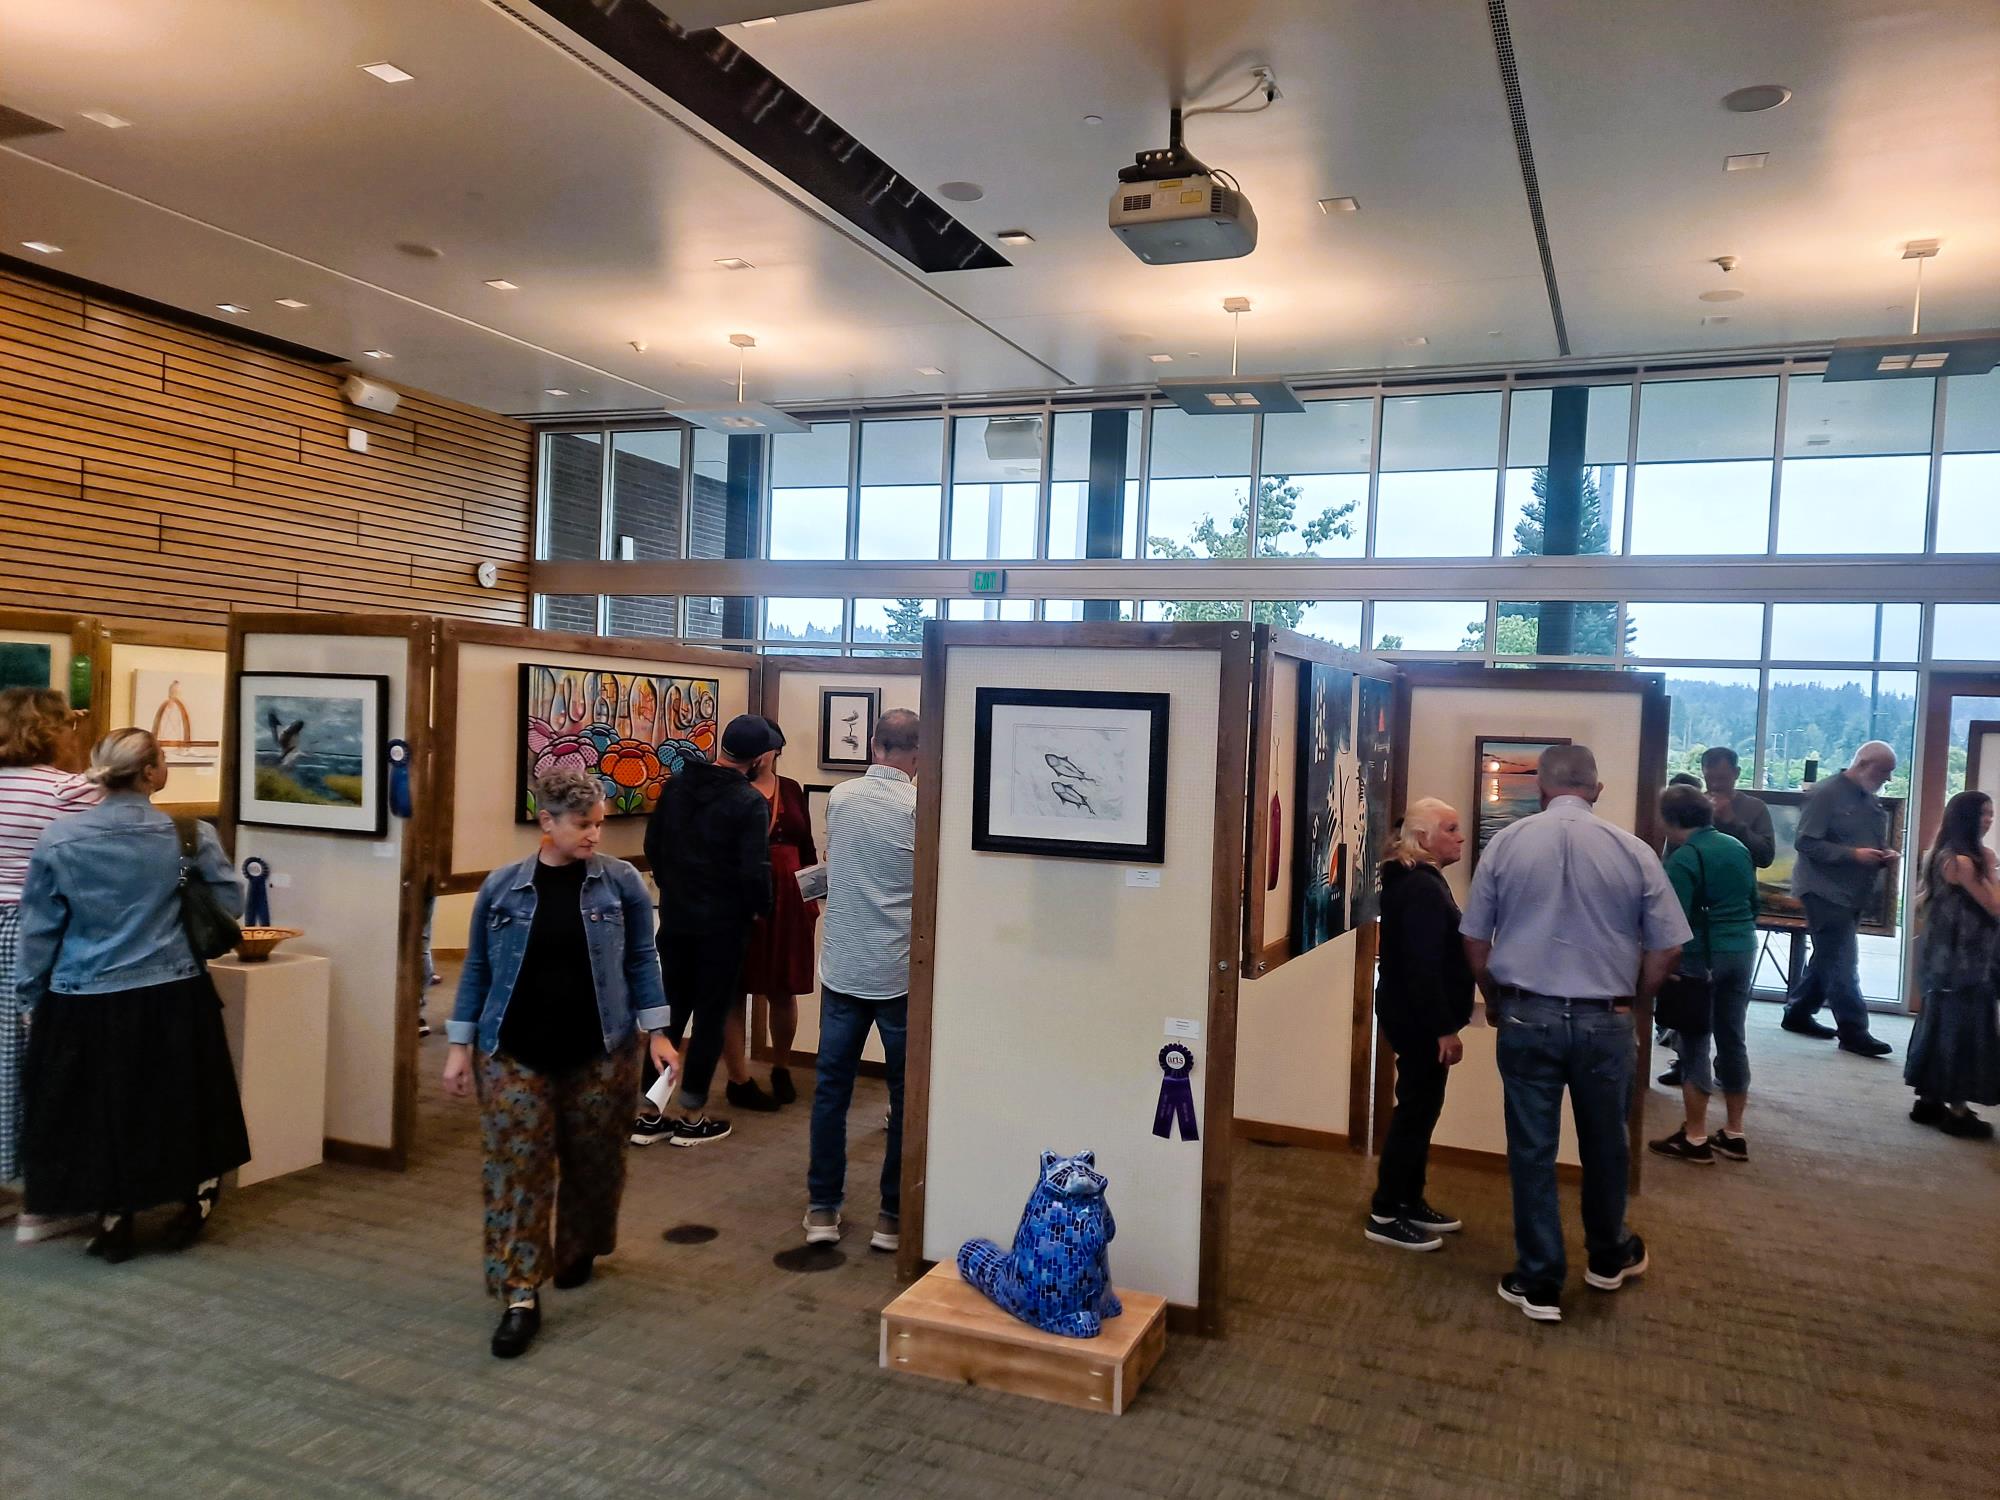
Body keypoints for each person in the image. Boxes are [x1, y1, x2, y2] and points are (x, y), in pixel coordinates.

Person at [443, 769, 676, 1358]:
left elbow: (643, 959)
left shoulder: (620, 884)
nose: (594, 834)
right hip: (513, 1051)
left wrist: (658, 1033)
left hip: (600, 1048)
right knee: (517, 1173)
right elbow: (477, 972)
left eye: (598, 823)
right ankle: (520, 1292)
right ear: (546, 822)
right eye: (583, 824)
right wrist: (457, 1047)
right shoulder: (501, 890)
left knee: (595, 1159)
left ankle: (580, 1243)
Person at [1461, 744, 1689, 1323]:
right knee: (1607, 1143)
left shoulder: (1506, 844)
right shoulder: (1633, 850)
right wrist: (1633, 1002)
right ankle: (1608, 1258)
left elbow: (1475, 940)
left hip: (1525, 1015)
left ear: (1539, 788)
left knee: (1532, 1150)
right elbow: (1667, 946)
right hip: (1606, 1019)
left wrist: (1494, 997)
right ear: (1598, 788)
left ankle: (1538, 1281)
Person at [15, 729, 249, 1264]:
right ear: (149, 774)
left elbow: (41, 928)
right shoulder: (189, 834)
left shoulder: (60, 838)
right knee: (180, 1101)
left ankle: (116, 1215)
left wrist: (31, 996)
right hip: (171, 989)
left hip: (83, 990)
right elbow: (230, 903)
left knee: (100, 1107)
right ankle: (193, 1197)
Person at [804, 708, 919, 1252]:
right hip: (897, 968)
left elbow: (834, 865)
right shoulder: (922, 807)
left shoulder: (841, 799)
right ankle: (891, 1217)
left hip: (844, 965)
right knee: (903, 1096)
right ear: (919, 753)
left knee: (831, 1093)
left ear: (875, 745)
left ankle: (822, 1208)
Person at [631, 714, 774, 1148]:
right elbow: (754, 871)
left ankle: (649, 1113)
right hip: (723, 925)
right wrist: (759, 910)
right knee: (711, 1017)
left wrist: (675, 886)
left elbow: (653, 846)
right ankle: (692, 1116)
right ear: (760, 757)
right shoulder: (749, 802)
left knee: (668, 1014)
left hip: (675, 916)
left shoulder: (676, 786)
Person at [0, 689, 100, 1242]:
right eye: (67, 727)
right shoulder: (68, 790)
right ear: (53, 731)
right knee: (43, 1063)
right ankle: (43, 1199)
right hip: (35, 934)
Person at [1366, 797, 1476, 1251]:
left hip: (1414, 1016)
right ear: (1425, 838)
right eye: (1450, 829)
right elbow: (1423, 967)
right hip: (1419, 1021)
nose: (1460, 837)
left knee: (1422, 1109)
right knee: (1414, 1112)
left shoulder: (1421, 881)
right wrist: (1443, 1029)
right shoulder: (1421, 889)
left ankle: (1409, 1199)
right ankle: (1386, 1211)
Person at [1647, 785, 1759, 1165]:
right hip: (1742, 949)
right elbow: (1753, 903)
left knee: (1694, 1040)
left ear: (1669, 819)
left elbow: (1670, 922)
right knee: (1733, 1037)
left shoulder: (1682, 859)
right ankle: (1734, 1132)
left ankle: (1694, 1137)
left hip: (1700, 957)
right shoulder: (1737, 847)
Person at [1783, 742, 1898, 1057]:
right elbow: (1805, 842)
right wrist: (1853, 855)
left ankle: (1798, 1012)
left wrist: (1882, 853)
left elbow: (1865, 840)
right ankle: (1854, 1031)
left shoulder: (1868, 799)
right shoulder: (1826, 794)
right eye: (1883, 771)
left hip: (1853, 893)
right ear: (1862, 763)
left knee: (1828, 956)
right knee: (1844, 961)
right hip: (1823, 891)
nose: (1887, 778)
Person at [1904, 791, 1999, 1139]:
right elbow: (1994, 905)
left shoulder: (1938, 854)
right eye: (1983, 814)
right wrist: (1991, 868)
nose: (1988, 820)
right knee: (1965, 1028)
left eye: (1991, 813)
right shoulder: (1967, 861)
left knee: (1939, 1022)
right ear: (1966, 818)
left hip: (1941, 956)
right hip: (1966, 958)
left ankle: (1929, 1098)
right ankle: (1958, 1109)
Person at [1701, 746, 1775, 868]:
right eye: (1709, 778)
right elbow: (1673, 854)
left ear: (1737, 773)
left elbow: (1766, 858)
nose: (1715, 785)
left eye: (1722, 778)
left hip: (1739, 884)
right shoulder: (1693, 805)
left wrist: (1733, 822)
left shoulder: (1755, 807)